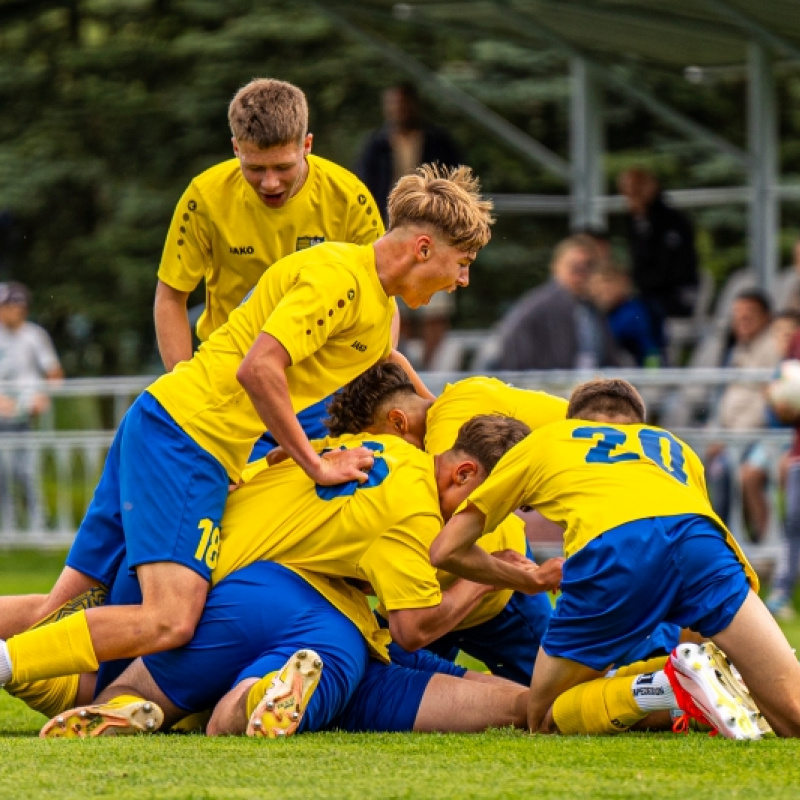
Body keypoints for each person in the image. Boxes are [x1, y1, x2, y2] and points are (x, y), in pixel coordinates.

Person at [0, 163, 494, 694]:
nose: (462, 280)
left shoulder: (377, 307)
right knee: (169, 618)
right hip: (188, 436)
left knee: (65, 607)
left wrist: (446, 422)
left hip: (167, 421)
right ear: (423, 248)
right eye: (461, 263)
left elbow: (398, 382)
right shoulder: (340, 278)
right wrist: (315, 462)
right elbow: (258, 369)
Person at [34, 414, 555, 737]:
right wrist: (490, 580)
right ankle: (262, 695)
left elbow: (286, 455)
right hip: (311, 619)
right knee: (233, 715)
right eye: (495, 505)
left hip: (209, 573)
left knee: (109, 672)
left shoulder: (386, 448)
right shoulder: (415, 518)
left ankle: (105, 700)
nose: (490, 521)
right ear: (464, 474)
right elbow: (413, 630)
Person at [431, 378, 800, 737]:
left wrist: (523, 579)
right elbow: (679, 547)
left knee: (542, 716)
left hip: (614, 550)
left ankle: (664, 687)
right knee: (791, 716)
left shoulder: (548, 438)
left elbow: (445, 550)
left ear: (574, 420)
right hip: (703, 543)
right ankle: (710, 674)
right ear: (638, 425)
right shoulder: (675, 447)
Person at [325, 363, 680, 683]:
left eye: (376, 444)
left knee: (581, 677)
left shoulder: (451, 425)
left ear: (399, 423)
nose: (374, 459)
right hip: (456, 587)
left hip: (501, 582)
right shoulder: (447, 413)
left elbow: (448, 519)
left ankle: (673, 657)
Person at [155, 78, 385, 372]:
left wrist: (370, 378)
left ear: (307, 145)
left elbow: (382, 296)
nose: (270, 183)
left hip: (321, 374)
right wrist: (182, 381)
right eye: (255, 168)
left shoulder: (350, 197)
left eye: (283, 167)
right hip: (229, 368)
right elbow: (171, 297)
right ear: (236, 148)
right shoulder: (204, 197)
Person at [356, 82, 463, 369]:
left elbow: (458, 184)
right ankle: (399, 367)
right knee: (394, 303)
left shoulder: (437, 141)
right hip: (390, 232)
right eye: (393, 105)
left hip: (435, 229)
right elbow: (365, 188)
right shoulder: (377, 144)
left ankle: (430, 369)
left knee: (436, 305)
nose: (398, 111)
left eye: (402, 104)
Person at [705, 289, 781, 527]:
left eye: (749, 314)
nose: (742, 320)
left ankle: (729, 542)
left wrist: (729, 439)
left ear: (766, 317)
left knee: (725, 470)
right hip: (730, 436)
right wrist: (715, 435)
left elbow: (768, 403)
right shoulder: (736, 349)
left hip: (760, 436)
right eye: (737, 315)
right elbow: (722, 400)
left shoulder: (774, 349)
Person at [492, 235, 620, 370]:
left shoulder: (591, 308)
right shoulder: (540, 306)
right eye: (575, 267)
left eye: (588, 266)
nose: (581, 273)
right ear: (556, 266)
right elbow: (515, 354)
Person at [0, 282, 64, 531]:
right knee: (2, 474)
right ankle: (8, 529)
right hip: (1, 414)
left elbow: (54, 373)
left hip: (25, 415)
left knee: (27, 472)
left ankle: (38, 527)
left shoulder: (35, 335)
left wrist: (43, 397)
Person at [617, 167, 699, 346]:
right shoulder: (636, 222)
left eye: (634, 192)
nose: (630, 199)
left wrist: (639, 284)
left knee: (641, 317)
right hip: (647, 295)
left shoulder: (672, 222)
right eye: (627, 193)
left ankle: (652, 362)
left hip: (672, 297)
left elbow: (676, 268)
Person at [589, 262, 661, 367]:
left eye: (608, 283)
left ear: (622, 284)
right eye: (597, 284)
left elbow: (650, 353)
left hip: (633, 374)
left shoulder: (633, 312)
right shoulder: (591, 312)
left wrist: (652, 380)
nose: (603, 289)